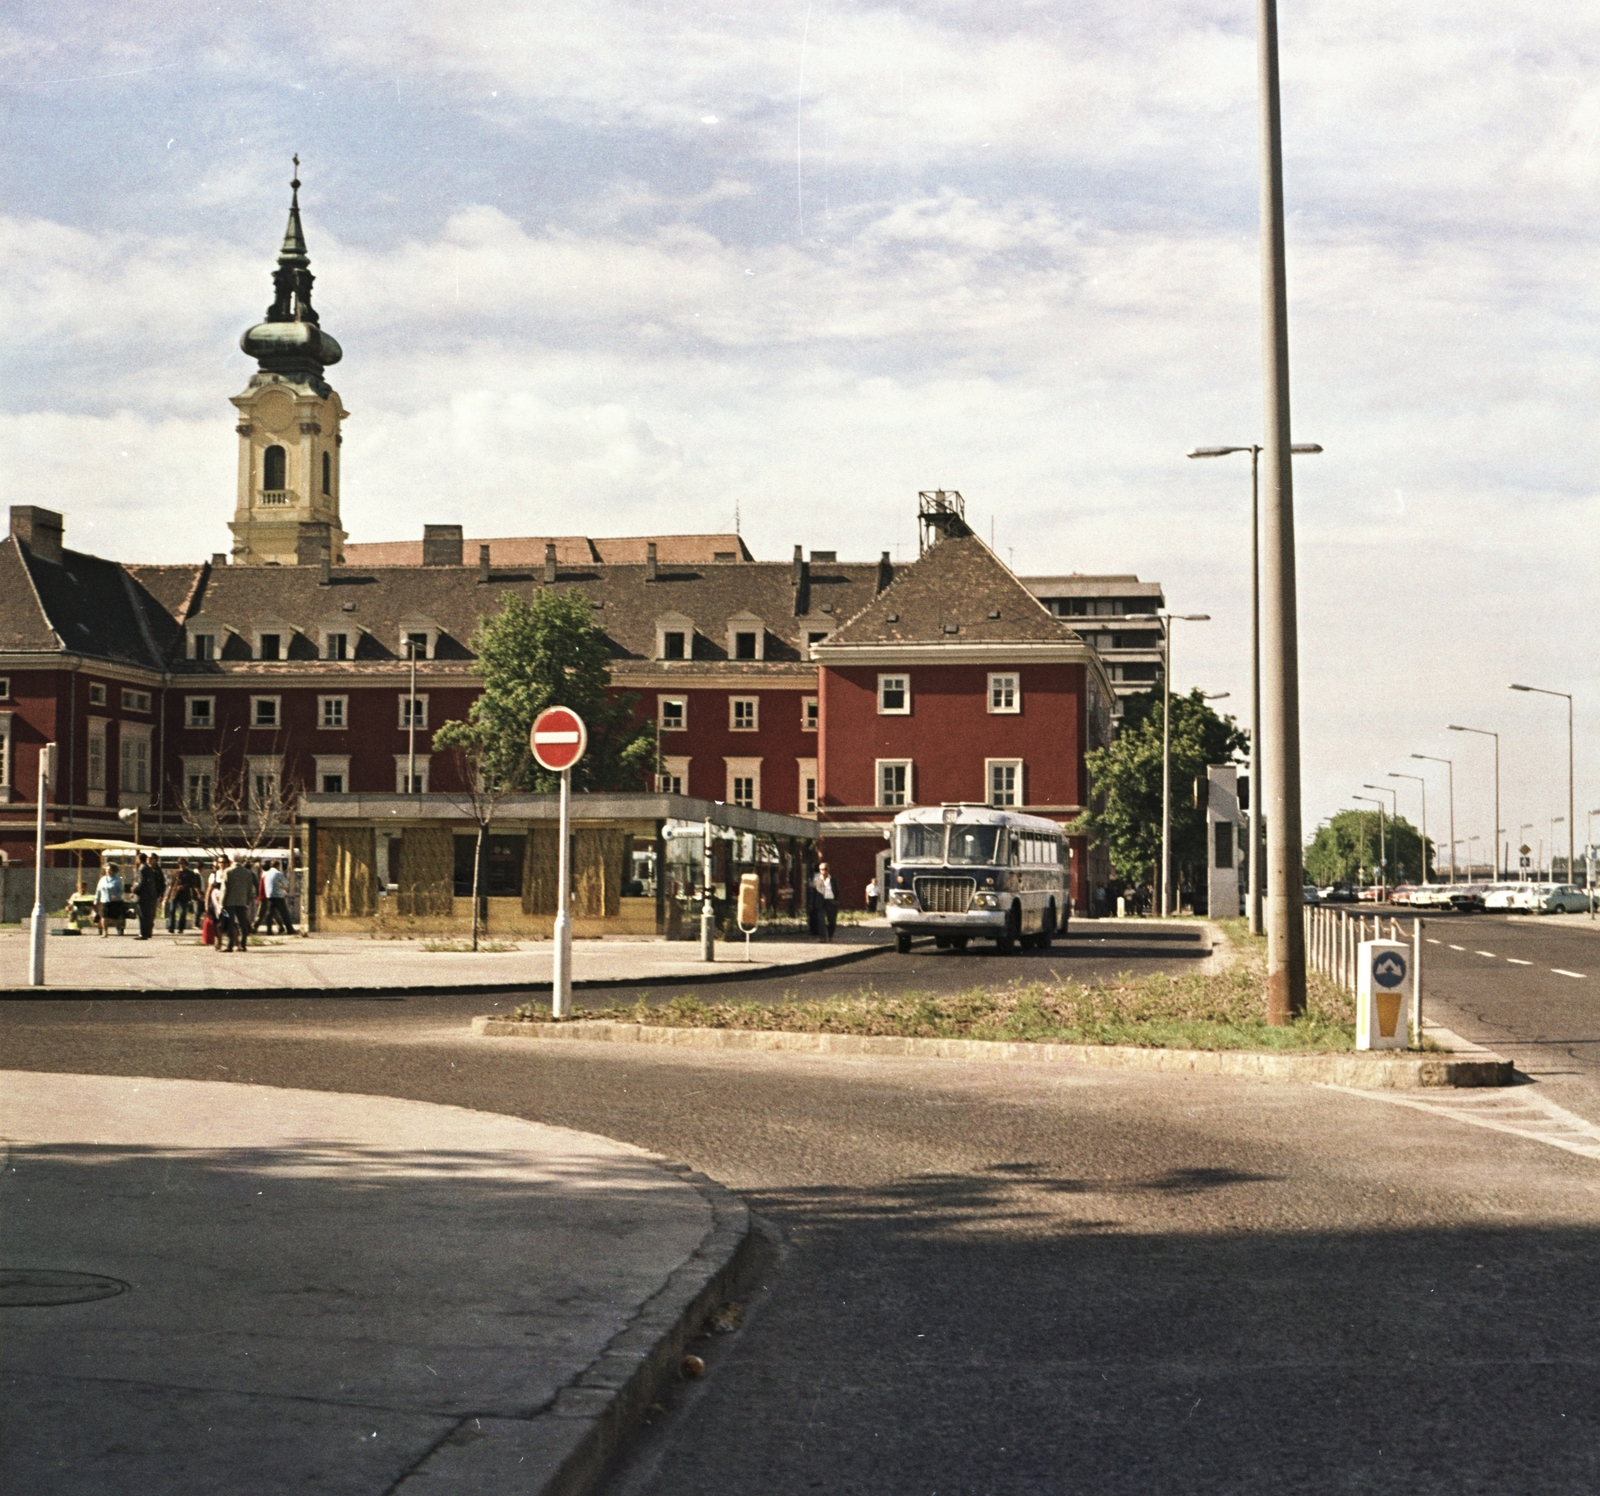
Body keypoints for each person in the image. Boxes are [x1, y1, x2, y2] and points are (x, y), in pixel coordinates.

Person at [222, 853, 256, 952]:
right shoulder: (247, 872)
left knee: (230, 922)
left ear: (231, 861)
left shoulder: (228, 871)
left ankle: (230, 945)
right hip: (242, 902)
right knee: (243, 922)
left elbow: (225, 889)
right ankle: (243, 944)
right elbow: (250, 888)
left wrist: (222, 904)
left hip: (228, 902)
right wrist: (247, 901)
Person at [258, 860, 296, 935]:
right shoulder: (278, 873)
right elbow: (285, 884)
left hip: (269, 896)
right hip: (278, 896)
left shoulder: (266, 874)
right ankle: (290, 929)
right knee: (284, 913)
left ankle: (269, 930)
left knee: (269, 914)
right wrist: (283, 888)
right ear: (277, 866)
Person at [133, 852, 164, 940]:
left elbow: (142, 882)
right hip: (150, 895)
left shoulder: (143, 869)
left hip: (143, 896)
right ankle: (147, 932)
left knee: (143, 915)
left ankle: (143, 934)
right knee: (147, 915)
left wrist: (135, 890)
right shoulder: (149, 869)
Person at [166, 858, 200, 934]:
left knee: (183, 912)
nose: (181, 865)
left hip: (184, 894)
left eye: (183, 863)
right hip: (175, 894)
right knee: (172, 910)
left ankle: (180, 928)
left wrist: (184, 886)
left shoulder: (190, 873)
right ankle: (171, 927)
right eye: (180, 863)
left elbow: (192, 884)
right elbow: (171, 884)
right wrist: (168, 895)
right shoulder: (175, 873)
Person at [94, 863, 126, 937]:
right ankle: (105, 932)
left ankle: (118, 929)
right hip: (104, 900)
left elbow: (121, 890)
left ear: (113, 871)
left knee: (114, 918)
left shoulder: (117, 880)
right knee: (103, 916)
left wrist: (117, 895)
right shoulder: (102, 880)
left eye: (109, 870)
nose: (108, 871)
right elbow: (98, 890)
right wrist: (96, 899)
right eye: (106, 869)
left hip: (114, 901)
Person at [811, 862, 838, 943]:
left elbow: (837, 890)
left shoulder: (833, 879)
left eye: (826, 869)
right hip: (821, 902)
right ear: (820, 870)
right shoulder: (816, 880)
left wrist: (836, 900)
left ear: (828, 870)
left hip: (831, 901)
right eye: (822, 869)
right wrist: (812, 902)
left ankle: (830, 936)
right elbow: (814, 892)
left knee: (832, 921)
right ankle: (822, 937)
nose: (824, 871)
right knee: (821, 920)